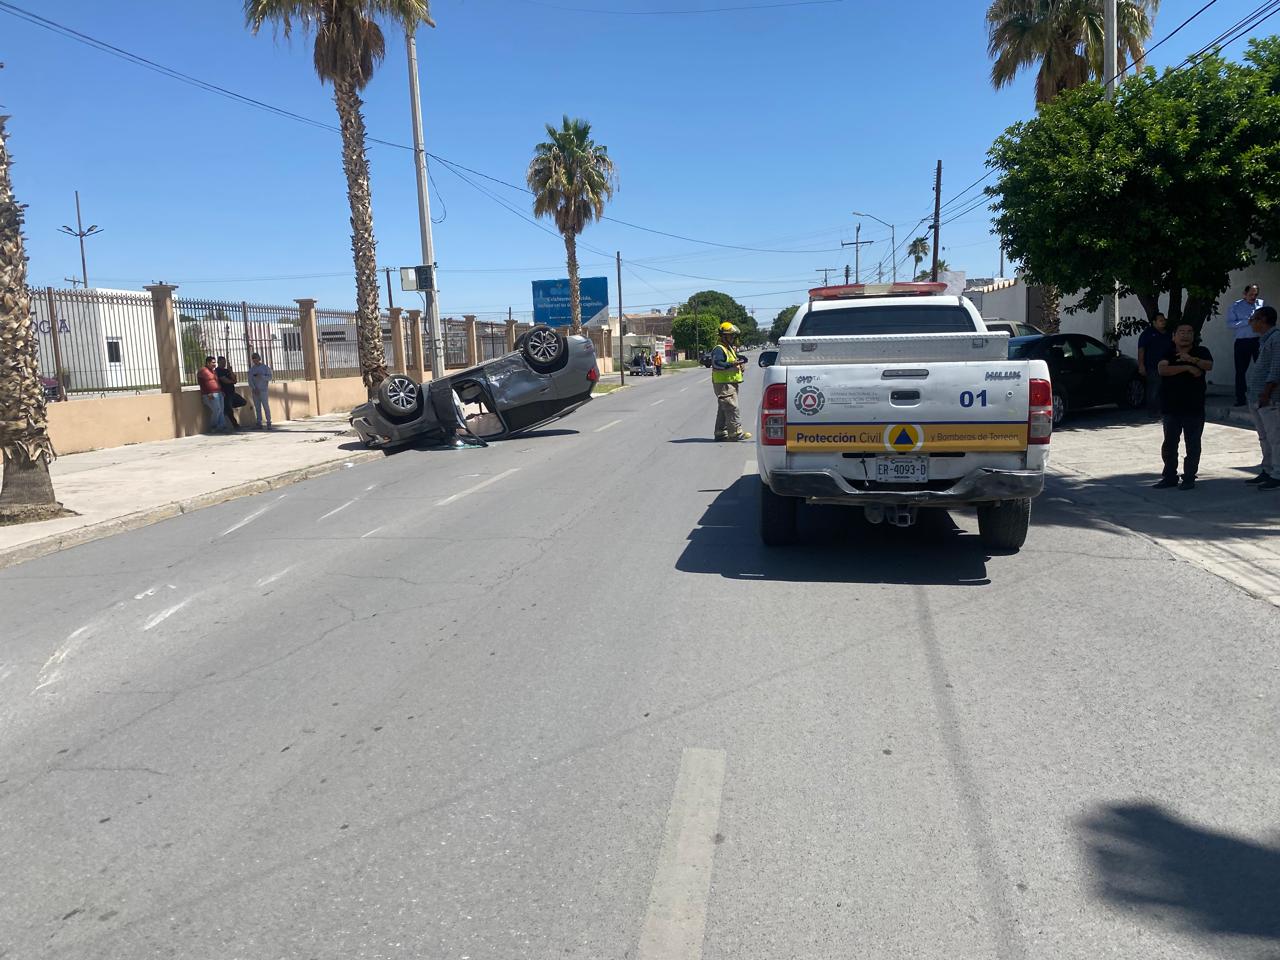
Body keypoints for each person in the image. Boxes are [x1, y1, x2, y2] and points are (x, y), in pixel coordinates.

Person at [1154, 322, 1213, 490]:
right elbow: (1162, 370)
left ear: (1194, 336)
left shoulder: (1201, 352)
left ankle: (1189, 477)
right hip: (1171, 406)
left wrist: (1192, 360)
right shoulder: (1168, 352)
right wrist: (1187, 367)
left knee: (1193, 444)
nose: (1185, 335)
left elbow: (1208, 365)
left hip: (1194, 406)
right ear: (1174, 336)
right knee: (1169, 444)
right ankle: (1169, 477)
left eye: (1189, 332)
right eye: (1181, 332)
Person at [1244, 305, 1280, 490]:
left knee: (1275, 438)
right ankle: (1267, 469)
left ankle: (1278, 474)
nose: (1251, 322)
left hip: (1269, 399)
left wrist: (1266, 393)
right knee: (1264, 438)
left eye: (1254, 319)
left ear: (1263, 320)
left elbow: (1276, 368)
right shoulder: (1265, 340)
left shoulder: (1276, 339)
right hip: (1257, 398)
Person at [711, 322, 751, 441]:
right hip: (724, 384)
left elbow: (735, 360)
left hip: (729, 383)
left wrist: (740, 362)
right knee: (732, 407)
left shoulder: (728, 348)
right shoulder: (719, 349)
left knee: (724, 408)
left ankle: (720, 432)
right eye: (731, 335)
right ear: (724, 336)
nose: (733, 338)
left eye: (733, 336)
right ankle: (735, 433)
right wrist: (731, 365)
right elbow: (717, 364)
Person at [1227, 284, 1264, 406]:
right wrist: (1246, 321)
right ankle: (1240, 398)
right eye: (1251, 294)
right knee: (1240, 371)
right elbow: (1230, 324)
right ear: (1244, 294)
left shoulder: (1262, 304)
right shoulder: (1236, 306)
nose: (1253, 297)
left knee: (1263, 368)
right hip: (1242, 342)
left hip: (1258, 341)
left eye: (1255, 295)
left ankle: (1264, 396)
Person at [1136, 312, 1171, 417]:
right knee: (1154, 388)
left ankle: (1164, 409)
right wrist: (1141, 365)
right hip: (1153, 366)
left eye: (1164, 320)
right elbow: (1141, 350)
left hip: (1168, 366)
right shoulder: (1147, 334)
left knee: (1166, 388)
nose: (1163, 322)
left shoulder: (1168, 333)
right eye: (1160, 320)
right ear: (1154, 322)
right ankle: (1153, 411)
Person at [197, 355, 228, 433]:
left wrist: (221, 390)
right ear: (208, 363)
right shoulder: (203, 371)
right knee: (217, 409)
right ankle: (213, 426)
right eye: (213, 362)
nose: (214, 364)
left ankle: (221, 426)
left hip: (219, 393)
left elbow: (216, 382)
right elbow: (202, 383)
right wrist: (208, 393)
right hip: (210, 394)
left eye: (215, 363)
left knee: (221, 410)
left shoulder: (213, 371)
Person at [248, 352, 273, 430]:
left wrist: (262, 376)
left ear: (259, 359)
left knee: (266, 406)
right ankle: (259, 422)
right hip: (255, 391)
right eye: (253, 359)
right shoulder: (252, 370)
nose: (255, 360)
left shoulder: (265, 368)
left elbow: (270, 377)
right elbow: (250, 380)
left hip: (263, 390)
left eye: (256, 358)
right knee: (257, 407)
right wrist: (254, 388)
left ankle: (269, 422)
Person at [215, 356, 240, 429]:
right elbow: (224, 380)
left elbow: (235, 379)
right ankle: (235, 424)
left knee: (242, 402)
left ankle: (226, 409)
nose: (224, 363)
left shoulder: (227, 370)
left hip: (232, 392)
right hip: (225, 393)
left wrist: (230, 371)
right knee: (230, 410)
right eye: (222, 362)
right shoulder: (218, 370)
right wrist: (233, 381)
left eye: (225, 362)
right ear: (218, 362)